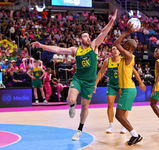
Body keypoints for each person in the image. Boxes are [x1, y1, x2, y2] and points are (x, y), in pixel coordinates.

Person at [31, 10, 118, 141]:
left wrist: (111, 22)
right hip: (78, 78)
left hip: (89, 82)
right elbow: (58, 49)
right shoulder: (75, 50)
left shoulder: (94, 46)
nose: (88, 38)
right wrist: (41, 45)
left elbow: (104, 32)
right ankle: (71, 106)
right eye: (85, 36)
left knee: (84, 107)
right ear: (80, 39)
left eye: (88, 36)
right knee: (70, 99)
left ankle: (79, 130)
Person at [114, 22, 146, 146]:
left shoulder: (128, 55)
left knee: (119, 115)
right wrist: (140, 81)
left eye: (125, 45)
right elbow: (133, 71)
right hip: (127, 89)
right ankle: (134, 135)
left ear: (129, 48)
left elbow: (116, 43)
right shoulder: (126, 58)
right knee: (120, 115)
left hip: (128, 89)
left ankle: (135, 135)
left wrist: (127, 32)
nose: (123, 46)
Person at [93, 46, 127, 134]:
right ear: (110, 51)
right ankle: (111, 125)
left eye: (117, 49)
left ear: (120, 51)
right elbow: (101, 72)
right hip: (111, 85)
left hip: (122, 85)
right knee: (110, 104)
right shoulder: (107, 61)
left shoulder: (124, 60)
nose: (115, 50)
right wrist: (95, 84)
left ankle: (124, 125)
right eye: (113, 49)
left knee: (124, 105)